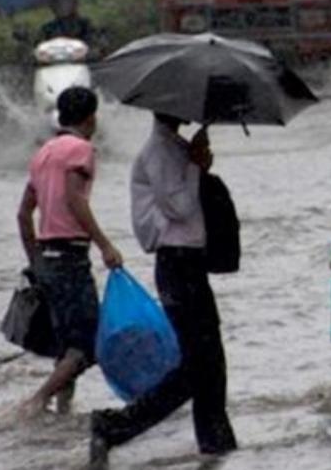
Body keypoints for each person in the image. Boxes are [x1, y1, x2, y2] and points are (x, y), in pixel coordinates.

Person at [89, 114, 237, 467]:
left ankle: (216, 446)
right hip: (177, 265)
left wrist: (197, 163)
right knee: (197, 367)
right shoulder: (159, 152)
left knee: (210, 364)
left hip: (189, 265)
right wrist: (195, 166)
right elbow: (180, 207)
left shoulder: (175, 148)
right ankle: (114, 426)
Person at [16, 86, 124, 417]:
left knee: (68, 347)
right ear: (91, 117)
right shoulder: (81, 150)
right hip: (70, 257)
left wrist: (35, 260)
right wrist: (105, 244)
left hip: (47, 258)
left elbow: (23, 214)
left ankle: (64, 414)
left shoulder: (43, 153)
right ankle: (38, 401)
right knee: (88, 344)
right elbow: (76, 199)